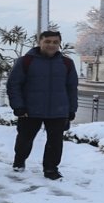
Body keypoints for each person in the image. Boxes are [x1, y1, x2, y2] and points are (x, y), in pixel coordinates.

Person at [6, 30, 78, 181]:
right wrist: (18, 106)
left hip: (58, 110)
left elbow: (72, 87)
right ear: (40, 42)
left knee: (55, 142)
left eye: (55, 42)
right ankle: (19, 160)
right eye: (47, 41)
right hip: (30, 110)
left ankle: (51, 169)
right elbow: (14, 84)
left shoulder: (67, 63)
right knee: (24, 139)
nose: (51, 45)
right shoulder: (26, 61)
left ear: (59, 44)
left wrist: (71, 109)